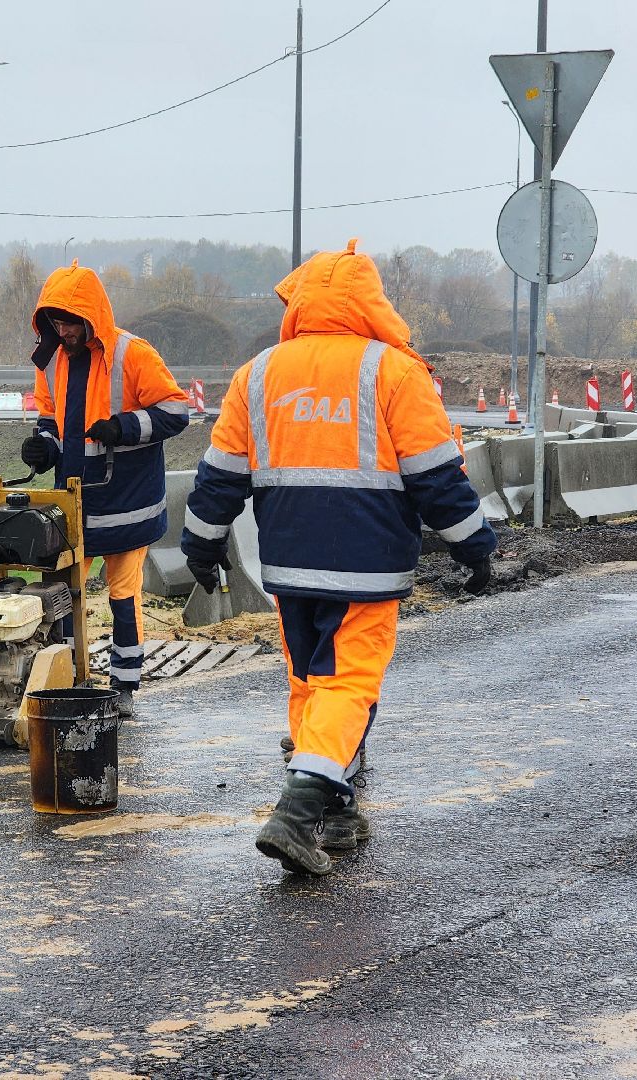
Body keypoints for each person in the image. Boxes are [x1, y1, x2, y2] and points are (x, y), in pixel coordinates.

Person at [181, 239, 497, 875]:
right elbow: (437, 477)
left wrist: (201, 544)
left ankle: (336, 806)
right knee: (349, 686)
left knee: (310, 685)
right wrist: (476, 548)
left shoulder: (258, 373)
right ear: (369, 303)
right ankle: (298, 813)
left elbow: (218, 477)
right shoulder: (396, 372)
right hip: (367, 562)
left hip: (288, 566)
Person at [21, 261, 191, 717]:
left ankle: (125, 689)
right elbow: (50, 415)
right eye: (56, 322)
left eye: (72, 321)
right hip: (73, 503)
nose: (64, 330)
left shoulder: (132, 354)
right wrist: (43, 446)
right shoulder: (52, 356)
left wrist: (122, 427)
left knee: (122, 596)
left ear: (92, 317)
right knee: (62, 592)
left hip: (128, 504)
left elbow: (177, 411)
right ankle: (68, 679)